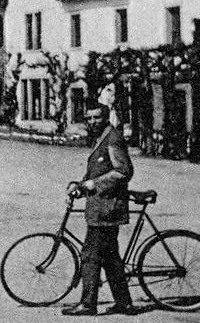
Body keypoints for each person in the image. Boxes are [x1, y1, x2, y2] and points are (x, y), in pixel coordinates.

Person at [63, 103, 137, 317]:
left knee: (90, 255)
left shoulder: (112, 138)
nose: (92, 122)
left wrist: (94, 184)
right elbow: (97, 171)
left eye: (97, 117)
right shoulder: (101, 138)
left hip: (107, 209)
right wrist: (80, 187)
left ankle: (88, 304)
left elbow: (123, 171)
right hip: (102, 207)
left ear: (105, 118)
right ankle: (124, 303)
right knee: (110, 258)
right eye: (89, 118)